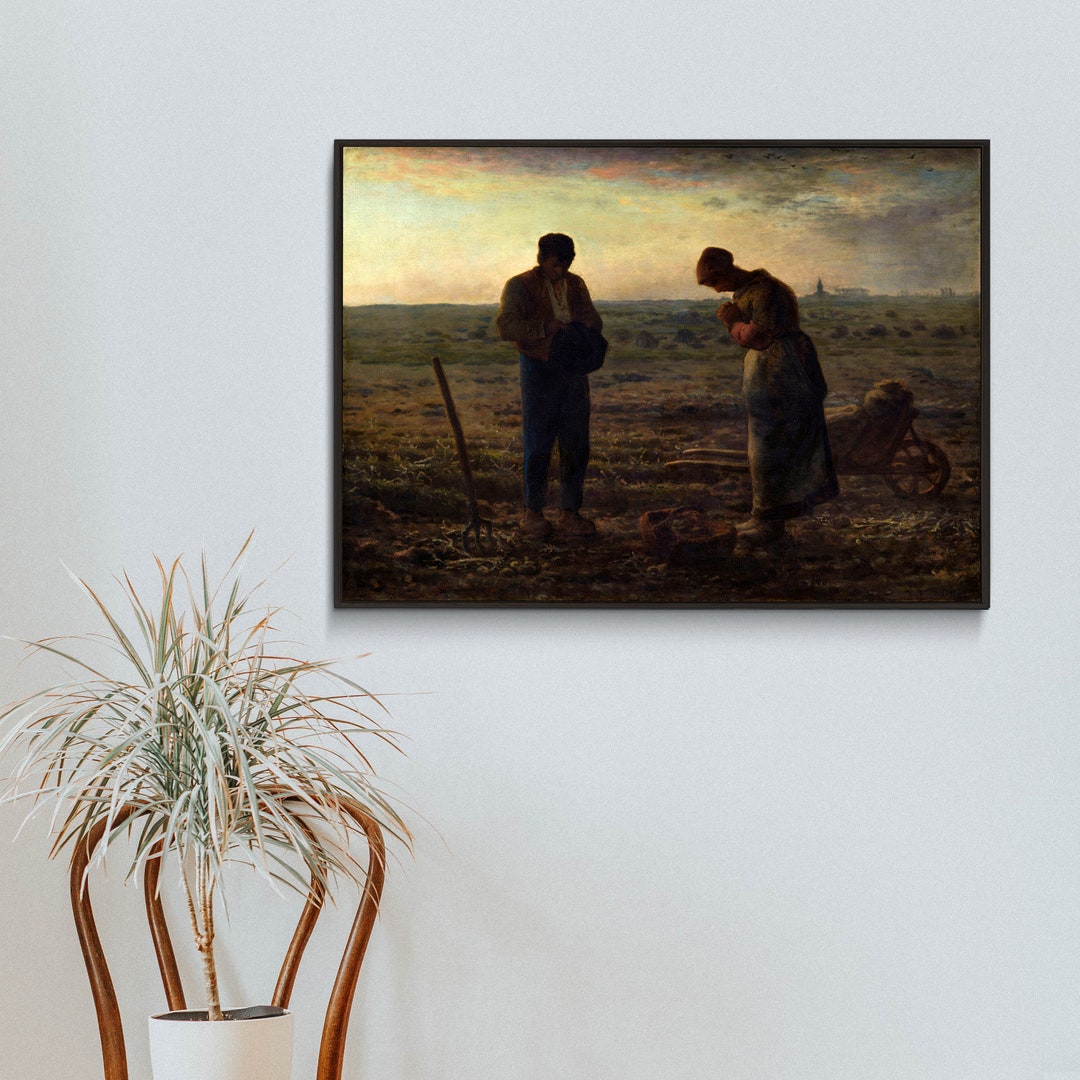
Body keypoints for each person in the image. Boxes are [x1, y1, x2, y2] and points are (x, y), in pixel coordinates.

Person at [696, 247, 839, 546]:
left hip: (783, 375)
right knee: (765, 445)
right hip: (773, 374)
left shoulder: (765, 291)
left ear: (724, 273)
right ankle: (765, 515)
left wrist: (733, 322)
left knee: (773, 445)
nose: (718, 290)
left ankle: (771, 523)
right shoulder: (751, 290)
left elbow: (759, 337)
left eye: (715, 284)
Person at [497, 233, 604, 539]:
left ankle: (569, 513)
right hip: (538, 368)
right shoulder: (519, 285)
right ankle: (532, 514)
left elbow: (592, 316)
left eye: (568, 262)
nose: (562, 269)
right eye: (557, 263)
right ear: (542, 259)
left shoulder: (576, 283)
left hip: (572, 365)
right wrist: (545, 327)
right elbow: (506, 326)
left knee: (575, 442)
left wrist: (584, 329)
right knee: (538, 440)